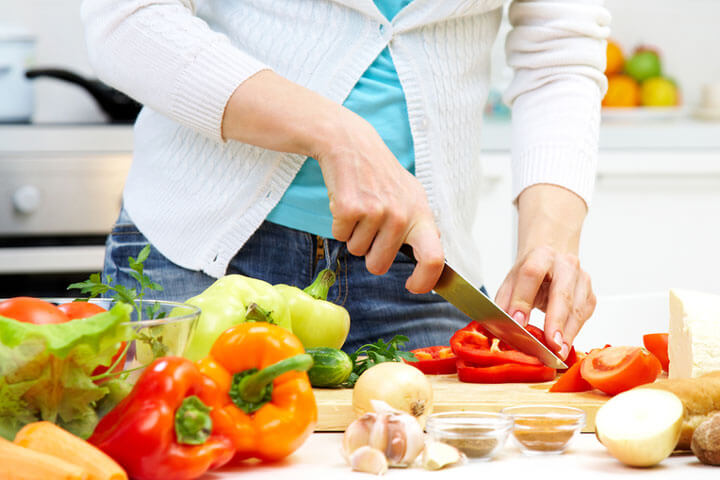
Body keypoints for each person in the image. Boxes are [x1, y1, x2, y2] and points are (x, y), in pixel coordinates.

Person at [81, 0, 609, 356]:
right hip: (198, 253)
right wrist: (337, 135)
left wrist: (550, 243)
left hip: (418, 268)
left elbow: (559, 55)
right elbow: (128, 18)